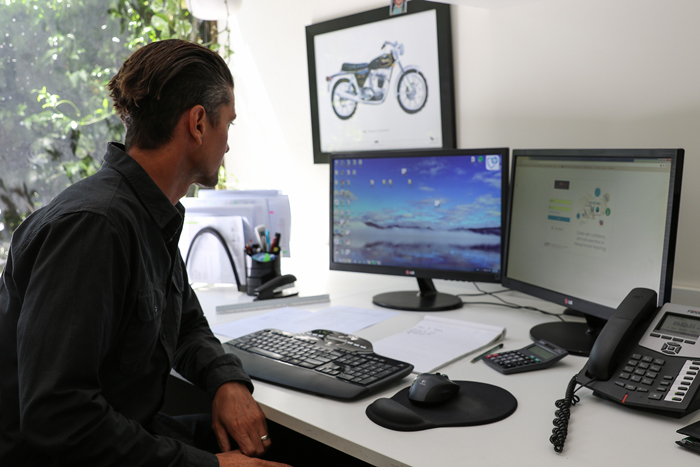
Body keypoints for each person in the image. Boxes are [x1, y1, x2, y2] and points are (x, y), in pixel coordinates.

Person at [0, 39, 290, 467]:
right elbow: (58, 420)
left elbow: (186, 322)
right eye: (228, 123)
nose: (228, 143)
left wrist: (226, 381)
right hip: (61, 456)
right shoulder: (95, 228)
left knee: (273, 439)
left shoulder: (151, 212)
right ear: (197, 123)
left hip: (123, 431)